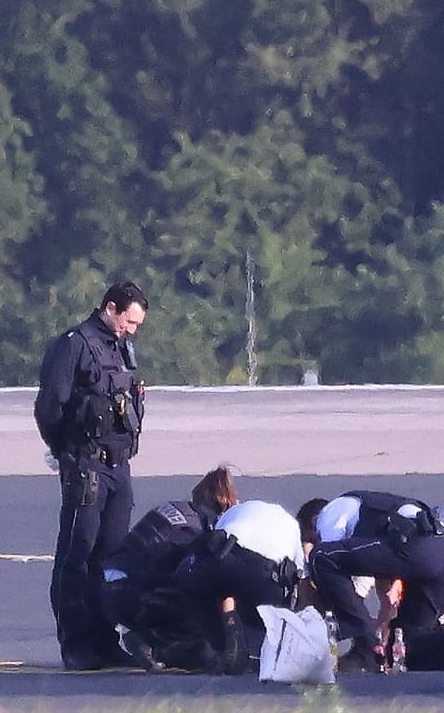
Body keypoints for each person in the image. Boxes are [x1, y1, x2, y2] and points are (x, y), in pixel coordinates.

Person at [35, 281, 149, 670]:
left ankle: (104, 639)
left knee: (111, 557)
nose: (132, 329)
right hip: (87, 467)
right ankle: (76, 643)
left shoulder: (119, 347)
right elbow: (49, 408)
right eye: (129, 321)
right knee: (77, 556)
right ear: (111, 308)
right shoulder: (74, 345)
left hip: (119, 467)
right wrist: (67, 455)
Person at [307, 491, 444, 671]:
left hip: (416, 548)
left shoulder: (328, 515)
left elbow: (340, 577)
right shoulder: (368, 511)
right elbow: (367, 563)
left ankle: (365, 647)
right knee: (406, 644)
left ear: (312, 522)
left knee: (321, 557)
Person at [101, 466, 240, 670]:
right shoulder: (198, 529)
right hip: (137, 596)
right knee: (204, 601)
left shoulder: (177, 509)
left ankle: (151, 637)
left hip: (111, 589)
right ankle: (155, 643)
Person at [168, 499, 306, 674]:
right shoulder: (291, 525)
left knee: (190, 580)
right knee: (273, 603)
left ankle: (220, 647)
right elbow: (299, 580)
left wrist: (228, 618)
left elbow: (214, 551)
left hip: (224, 559)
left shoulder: (233, 513)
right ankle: (270, 652)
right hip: (266, 579)